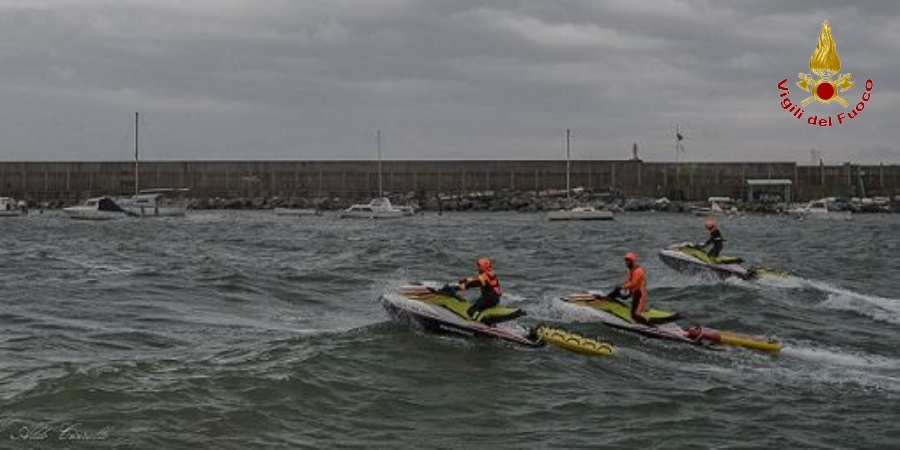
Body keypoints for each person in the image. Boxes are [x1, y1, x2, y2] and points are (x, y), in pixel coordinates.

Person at [607, 252, 651, 326]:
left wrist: (622, 287)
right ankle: (607, 299)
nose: (626, 262)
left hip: (639, 294)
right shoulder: (631, 270)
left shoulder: (638, 271)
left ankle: (650, 326)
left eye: (628, 261)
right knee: (618, 291)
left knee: (634, 315)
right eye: (626, 261)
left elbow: (633, 283)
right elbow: (628, 281)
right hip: (633, 292)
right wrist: (621, 286)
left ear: (632, 261)